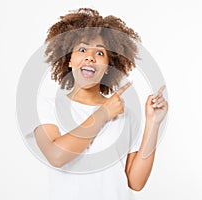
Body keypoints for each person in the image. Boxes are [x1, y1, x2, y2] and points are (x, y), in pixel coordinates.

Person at [34, 8, 168, 200]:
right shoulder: (48, 106)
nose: (90, 57)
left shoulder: (125, 115)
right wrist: (103, 114)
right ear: (69, 60)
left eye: (99, 52)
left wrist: (153, 123)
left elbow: (135, 182)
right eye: (82, 49)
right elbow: (56, 156)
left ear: (107, 68)